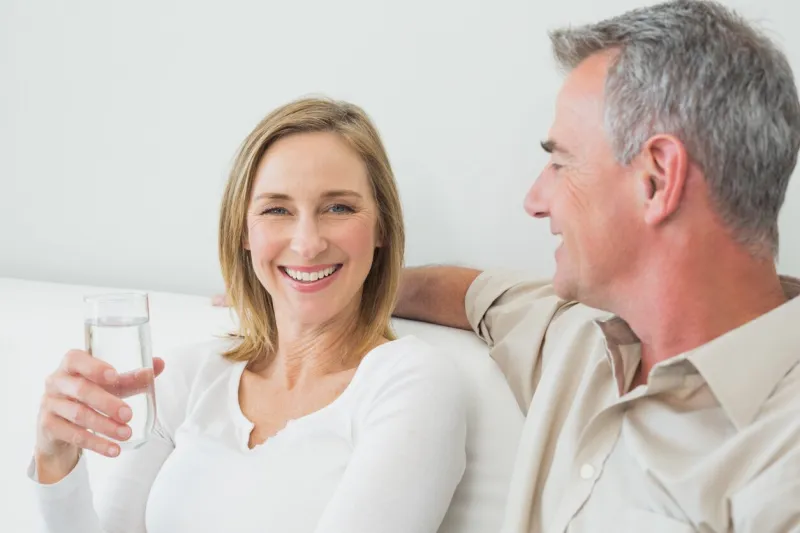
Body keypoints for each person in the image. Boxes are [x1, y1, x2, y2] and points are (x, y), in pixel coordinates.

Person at [394, 1, 800, 532]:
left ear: (656, 179)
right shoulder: (575, 338)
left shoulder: (781, 458)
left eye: (561, 163)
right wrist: (349, 283)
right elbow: (475, 297)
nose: (535, 201)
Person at [29, 98, 467, 532]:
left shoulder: (409, 383)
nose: (307, 243)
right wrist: (56, 461)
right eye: (277, 209)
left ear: (382, 229)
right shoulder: (189, 375)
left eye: (338, 208)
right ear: (242, 232)